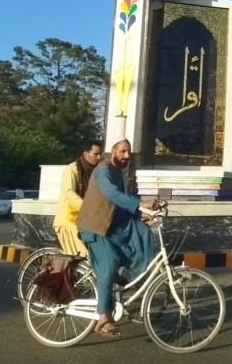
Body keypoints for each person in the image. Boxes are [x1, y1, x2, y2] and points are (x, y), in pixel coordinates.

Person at [75, 137, 160, 337]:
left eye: (128, 152)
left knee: (140, 233)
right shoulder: (104, 170)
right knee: (110, 263)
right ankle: (103, 318)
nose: (126, 156)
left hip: (110, 226)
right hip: (95, 227)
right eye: (122, 151)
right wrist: (140, 203)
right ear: (112, 151)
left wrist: (140, 216)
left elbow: (118, 205)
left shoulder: (116, 171)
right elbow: (111, 194)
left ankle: (127, 283)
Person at [52, 140, 103, 257]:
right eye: (96, 154)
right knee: (82, 256)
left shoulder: (95, 172)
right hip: (68, 222)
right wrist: (87, 207)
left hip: (86, 222)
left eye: (100, 154)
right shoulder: (72, 169)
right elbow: (69, 193)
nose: (99, 157)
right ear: (86, 154)